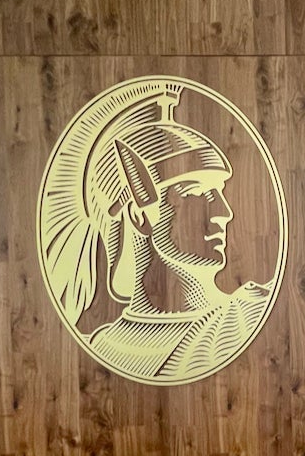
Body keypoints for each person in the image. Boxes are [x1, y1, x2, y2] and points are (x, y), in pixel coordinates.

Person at [41, 87, 276, 383]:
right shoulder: (102, 349)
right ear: (140, 216)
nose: (224, 212)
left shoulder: (247, 315)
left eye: (219, 192)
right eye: (199, 192)